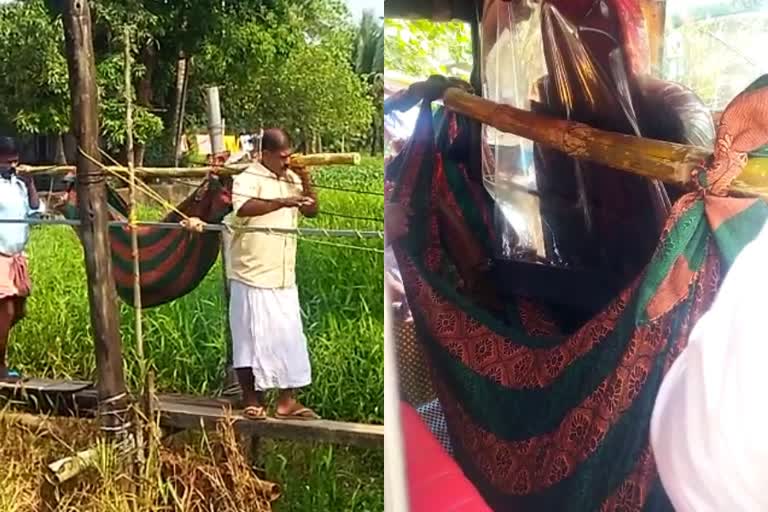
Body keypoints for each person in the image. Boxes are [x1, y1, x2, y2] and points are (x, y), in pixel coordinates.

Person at [227, 128, 319, 420]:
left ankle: (286, 401)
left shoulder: (292, 178)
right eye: (281, 157)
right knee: (248, 338)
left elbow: (312, 210)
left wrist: (305, 179)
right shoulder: (247, 178)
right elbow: (244, 208)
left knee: (289, 336)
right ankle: (252, 399)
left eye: (289, 155)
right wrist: (283, 202)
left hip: (282, 275)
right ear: (264, 154)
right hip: (251, 273)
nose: (286, 161)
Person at [0, 136, 39, 381]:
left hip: (17, 256)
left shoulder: (20, 185)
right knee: (6, 312)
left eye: (14, 161)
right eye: (6, 162)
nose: (11, 166)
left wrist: (31, 183)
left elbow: (35, 209)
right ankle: (0, 367)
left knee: (19, 312)